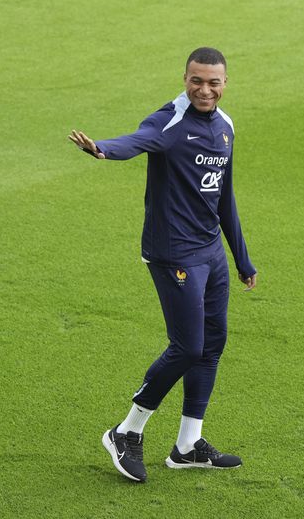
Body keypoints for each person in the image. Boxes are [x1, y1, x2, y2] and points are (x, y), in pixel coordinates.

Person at [68, 47, 257, 483]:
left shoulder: (225, 127)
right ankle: (125, 431)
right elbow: (136, 140)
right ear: (185, 78)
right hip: (174, 253)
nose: (204, 89)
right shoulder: (169, 121)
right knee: (187, 347)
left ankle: (188, 445)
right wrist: (102, 150)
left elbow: (224, 197)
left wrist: (241, 258)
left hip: (211, 252)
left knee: (211, 343)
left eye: (213, 82)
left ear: (225, 83)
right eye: (196, 80)